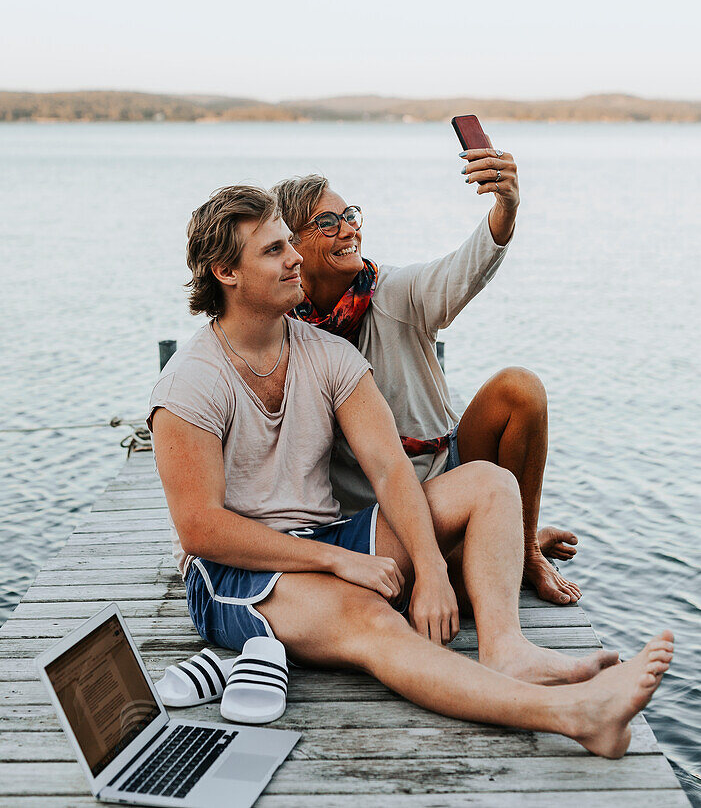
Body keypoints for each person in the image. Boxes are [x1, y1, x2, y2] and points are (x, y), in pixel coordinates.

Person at [148, 184, 673, 759]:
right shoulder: (188, 383)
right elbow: (202, 530)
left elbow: (392, 470)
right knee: (372, 620)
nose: (296, 257)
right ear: (226, 271)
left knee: (490, 482)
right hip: (235, 572)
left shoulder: (327, 353)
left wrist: (430, 571)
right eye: (274, 250)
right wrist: (340, 560)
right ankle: (575, 715)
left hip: (329, 537)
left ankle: (506, 650)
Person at [272, 154, 580, 607]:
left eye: (350, 216)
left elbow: (461, 272)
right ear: (292, 244)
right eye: (329, 222)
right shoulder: (284, 334)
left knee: (521, 388)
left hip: (450, 465)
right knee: (442, 580)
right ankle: (497, 540)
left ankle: (526, 547)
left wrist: (505, 209)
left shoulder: (392, 292)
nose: (349, 230)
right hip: (379, 511)